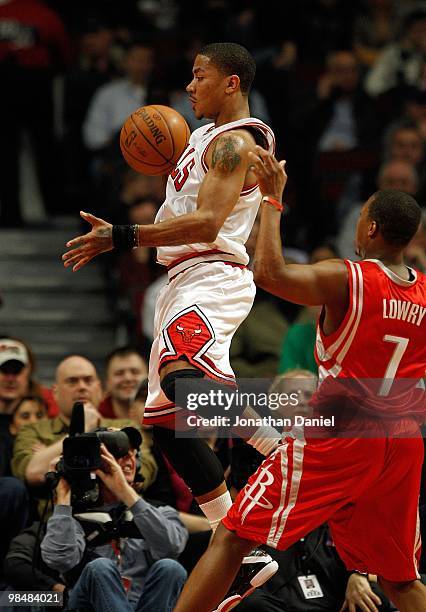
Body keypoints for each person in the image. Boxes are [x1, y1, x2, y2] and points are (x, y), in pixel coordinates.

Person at [62, 42, 282, 604]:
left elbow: (209, 221)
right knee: (164, 425)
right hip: (183, 281)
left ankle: (281, 443)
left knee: (186, 383)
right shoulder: (205, 139)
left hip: (213, 274)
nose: (188, 86)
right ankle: (242, 544)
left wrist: (124, 234)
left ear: (231, 83)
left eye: (199, 75)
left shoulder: (237, 140)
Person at [173, 151, 426, 612]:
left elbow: (269, 273)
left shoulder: (348, 278)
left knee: (231, 535)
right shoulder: (425, 294)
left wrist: (272, 200)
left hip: (346, 430)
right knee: (399, 580)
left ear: (369, 229)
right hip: (405, 437)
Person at [40, 436, 188, 612]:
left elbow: (172, 548)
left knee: (171, 568)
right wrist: (63, 499)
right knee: (100, 567)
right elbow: (60, 560)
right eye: (116, 453)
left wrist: (124, 491)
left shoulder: (161, 512)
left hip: (144, 605)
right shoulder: (75, 517)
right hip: (88, 606)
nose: (129, 459)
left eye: (133, 453)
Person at [12, 355, 157, 496]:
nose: (82, 387)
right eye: (72, 381)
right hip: (62, 515)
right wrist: (83, 431)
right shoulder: (33, 430)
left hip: (121, 515)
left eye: (88, 381)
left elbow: (144, 471)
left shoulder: (127, 426)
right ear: (55, 392)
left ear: (100, 389)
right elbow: (32, 473)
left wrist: (55, 457)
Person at [99, 347, 148, 420]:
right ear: (107, 382)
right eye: (119, 373)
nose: (128, 378)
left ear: (149, 376)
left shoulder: (165, 416)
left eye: (135, 372)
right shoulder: (97, 417)